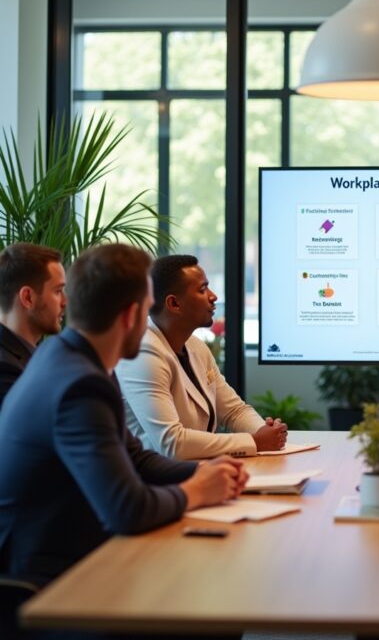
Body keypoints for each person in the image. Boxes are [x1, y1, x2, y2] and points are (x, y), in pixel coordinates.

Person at [0, 244, 246, 587]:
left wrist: (206, 471)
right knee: (211, 590)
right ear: (131, 316)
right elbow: (127, 509)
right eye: (147, 311)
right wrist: (197, 490)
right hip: (46, 582)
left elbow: (136, 457)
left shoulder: (69, 359)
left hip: (70, 554)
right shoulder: (79, 384)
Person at [117, 254, 287, 459]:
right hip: (153, 482)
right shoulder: (142, 353)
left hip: (197, 471)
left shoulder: (195, 346)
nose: (213, 296)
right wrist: (255, 442)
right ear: (174, 304)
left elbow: (233, 411)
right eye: (202, 289)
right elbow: (172, 443)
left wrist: (263, 432)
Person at [0, 243, 66, 406]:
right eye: (58, 291)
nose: (65, 302)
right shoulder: (6, 370)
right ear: (28, 297)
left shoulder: (39, 355)